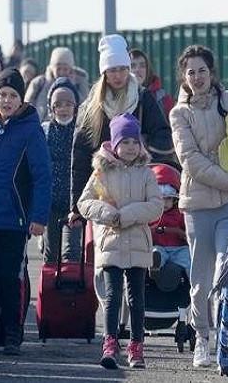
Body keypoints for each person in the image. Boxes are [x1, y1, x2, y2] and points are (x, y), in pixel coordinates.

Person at [169, 44, 228, 368]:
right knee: (200, 277)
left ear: (212, 73)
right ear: (184, 77)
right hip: (198, 204)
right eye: (191, 72)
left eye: (202, 71)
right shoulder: (179, 114)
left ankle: (227, 337)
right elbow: (191, 161)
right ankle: (202, 337)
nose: (197, 77)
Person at [0, 68, 51, 355]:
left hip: (15, 219)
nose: (7, 100)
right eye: (2, 95)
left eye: (12, 96)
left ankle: (12, 333)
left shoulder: (31, 130)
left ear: (21, 100)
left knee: (10, 278)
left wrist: (38, 217)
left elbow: (43, 176)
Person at [78, 113, 163, 369]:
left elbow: (156, 206)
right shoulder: (101, 173)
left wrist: (126, 215)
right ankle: (110, 343)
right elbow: (85, 203)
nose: (130, 147)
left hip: (137, 242)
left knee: (137, 298)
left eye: (134, 142)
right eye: (125, 142)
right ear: (114, 144)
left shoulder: (146, 173)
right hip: (111, 242)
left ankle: (136, 346)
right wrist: (107, 214)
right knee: (112, 296)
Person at [68, 34, 173, 230]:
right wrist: (76, 206)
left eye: (123, 69)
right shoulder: (92, 106)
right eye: (112, 70)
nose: (118, 75)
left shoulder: (142, 98)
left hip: (137, 190)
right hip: (103, 193)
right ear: (104, 73)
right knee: (105, 245)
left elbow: (163, 136)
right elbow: (80, 156)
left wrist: (139, 151)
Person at [40, 77, 81, 264]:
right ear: (51, 108)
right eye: (58, 105)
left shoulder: (81, 132)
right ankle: (50, 283)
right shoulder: (45, 131)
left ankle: (71, 282)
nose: (63, 109)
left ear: (75, 107)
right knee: (51, 252)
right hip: (51, 202)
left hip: (75, 202)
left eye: (68, 104)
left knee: (71, 252)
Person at [25, 47, 90, 122]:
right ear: (52, 68)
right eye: (58, 69)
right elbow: (26, 108)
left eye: (65, 69)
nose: (61, 73)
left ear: (71, 69)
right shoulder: (39, 83)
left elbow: (86, 108)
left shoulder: (80, 83)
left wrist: (73, 87)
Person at [148, 164, 190, 275]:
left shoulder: (180, 213)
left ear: (175, 200)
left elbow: (187, 231)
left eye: (168, 199)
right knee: (156, 252)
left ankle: (193, 280)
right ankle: (154, 265)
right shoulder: (150, 214)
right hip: (159, 246)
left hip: (178, 248)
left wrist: (183, 234)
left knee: (187, 257)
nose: (164, 203)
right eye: (161, 199)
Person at [130, 49, 174, 120]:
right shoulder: (118, 96)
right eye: (132, 66)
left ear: (148, 70)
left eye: (142, 66)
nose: (137, 70)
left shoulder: (163, 99)